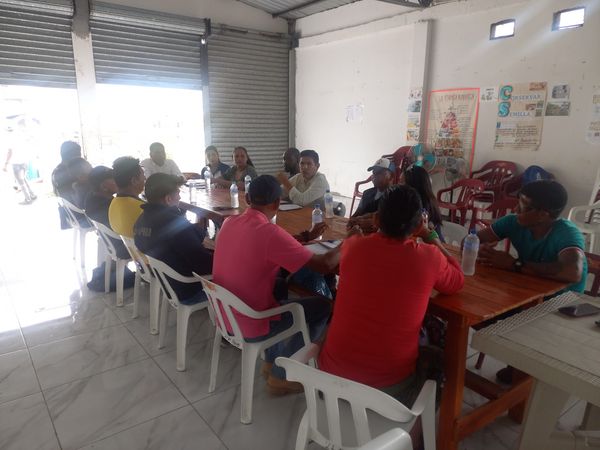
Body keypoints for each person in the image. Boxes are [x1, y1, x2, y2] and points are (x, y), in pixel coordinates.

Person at [318, 185, 464, 406]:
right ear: (418, 224)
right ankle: (417, 427)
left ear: (376, 219)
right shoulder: (429, 258)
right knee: (440, 360)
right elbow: (457, 280)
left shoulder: (352, 246)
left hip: (327, 382)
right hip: (385, 396)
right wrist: (430, 235)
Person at [213, 175, 339, 394]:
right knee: (323, 306)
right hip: (250, 322)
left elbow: (272, 246)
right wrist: (349, 242)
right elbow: (325, 265)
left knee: (280, 285)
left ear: (248, 198)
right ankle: (282, 374)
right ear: (278, 203)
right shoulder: (269, 233)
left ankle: (271, 361)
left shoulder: (229, 222)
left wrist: (305, 237)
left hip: (225, 314)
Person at [475, 180, 587, 384]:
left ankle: (523, 370)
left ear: (543, 214)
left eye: (523, 206)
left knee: (509, 322)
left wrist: (514, 264)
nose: (515, 209)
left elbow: (573, 272)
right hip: (527, 293)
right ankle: (518, 365)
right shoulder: (513, 222)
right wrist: (478, 247)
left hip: (561, 305)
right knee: (477, 313)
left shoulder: (566, 233)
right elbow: (473, 239)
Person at [134, 173, 213, 303]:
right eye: (178, 193)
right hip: (189, 289)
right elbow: (204, 265)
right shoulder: (175, 225)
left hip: (167, 283)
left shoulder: (141, 220)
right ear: (168, 199)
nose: (180, 197)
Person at [84, 166, 130, 260]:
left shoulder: (90, 198)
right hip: (125, 247)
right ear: (104, 187)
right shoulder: (111, 206)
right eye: (113, 179)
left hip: (110, 243)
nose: (118, 180)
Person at [347, 158, 395, 233]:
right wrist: (352, 220)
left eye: (379, 173)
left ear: (391, 177)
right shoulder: (367, 193)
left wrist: (373, 223)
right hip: (359, 232)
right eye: (374, 172)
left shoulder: (396, 197)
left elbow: (392, 222)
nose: (375, 176)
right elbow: (358, 212)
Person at [403, 164, 444, 241]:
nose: (398, 186)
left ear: (413, 187)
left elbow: (426, 237)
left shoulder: (421, 209)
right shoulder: (426, 200)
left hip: (432, 245)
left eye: (402, 183)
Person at [108, 157, 146, 238]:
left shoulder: (113, 203)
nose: (145, 178)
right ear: (134, 181)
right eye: (143, 175)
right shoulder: (143, 209)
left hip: (130, 245)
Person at [3, 126, 36, 204]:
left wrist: (5, 164)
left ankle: (28, 199)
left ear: (7, 130)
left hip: (16, 164)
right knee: (24, 180)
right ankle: (32, 195)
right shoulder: (19, 136)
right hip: (24, 162)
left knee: (21, 183)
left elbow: (10, 152)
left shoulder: (9, 138)